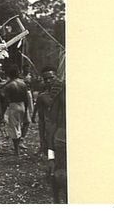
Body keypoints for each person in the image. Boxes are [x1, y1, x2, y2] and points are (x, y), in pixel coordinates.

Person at [40, 66, 67, 203]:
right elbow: (48, 122)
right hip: (58, 138)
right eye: (46, 79)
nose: (49, 81)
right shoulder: (48, 96)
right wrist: (47, 147)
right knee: (57, 173)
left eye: (52, 78)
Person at [3, 65, 30, 156]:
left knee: (13, 127)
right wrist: (26, 109)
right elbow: (26, 98)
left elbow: (6, 99)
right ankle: (18, 146)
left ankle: (16, 149)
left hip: (13, 105)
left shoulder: (9, 85)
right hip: (22, 105)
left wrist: (5, 110)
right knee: (19, 125)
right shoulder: (23, 83)